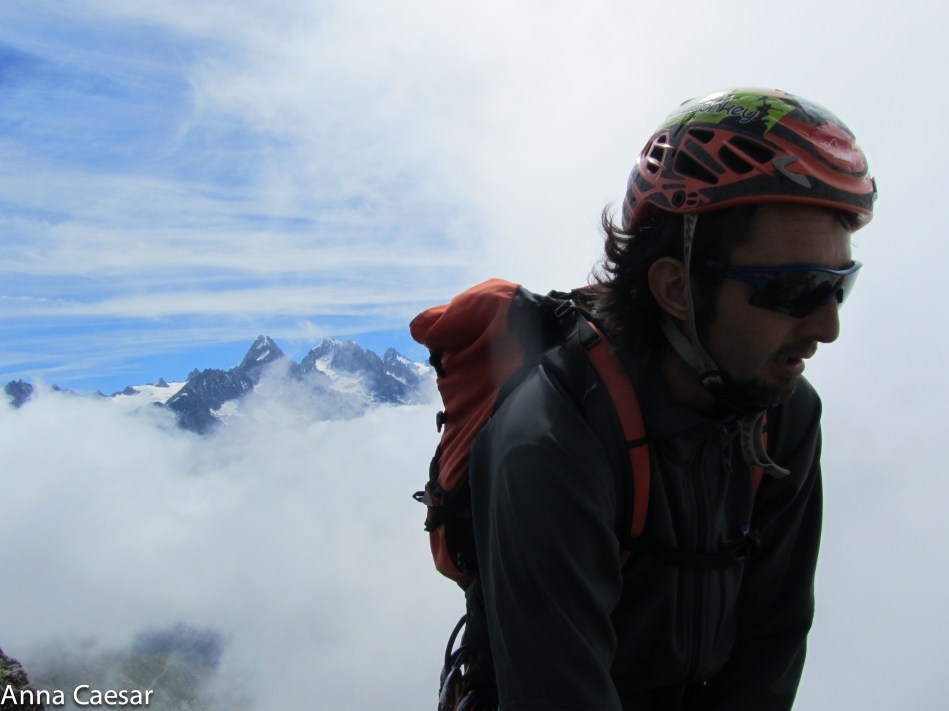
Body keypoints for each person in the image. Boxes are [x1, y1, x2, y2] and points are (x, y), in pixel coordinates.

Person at [465, 88, 877, 709]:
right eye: (797, 289)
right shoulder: (551, 438)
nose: (828, 327)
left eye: (840, 285)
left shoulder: (785, 413)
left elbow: (773, 642)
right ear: (677, 290)